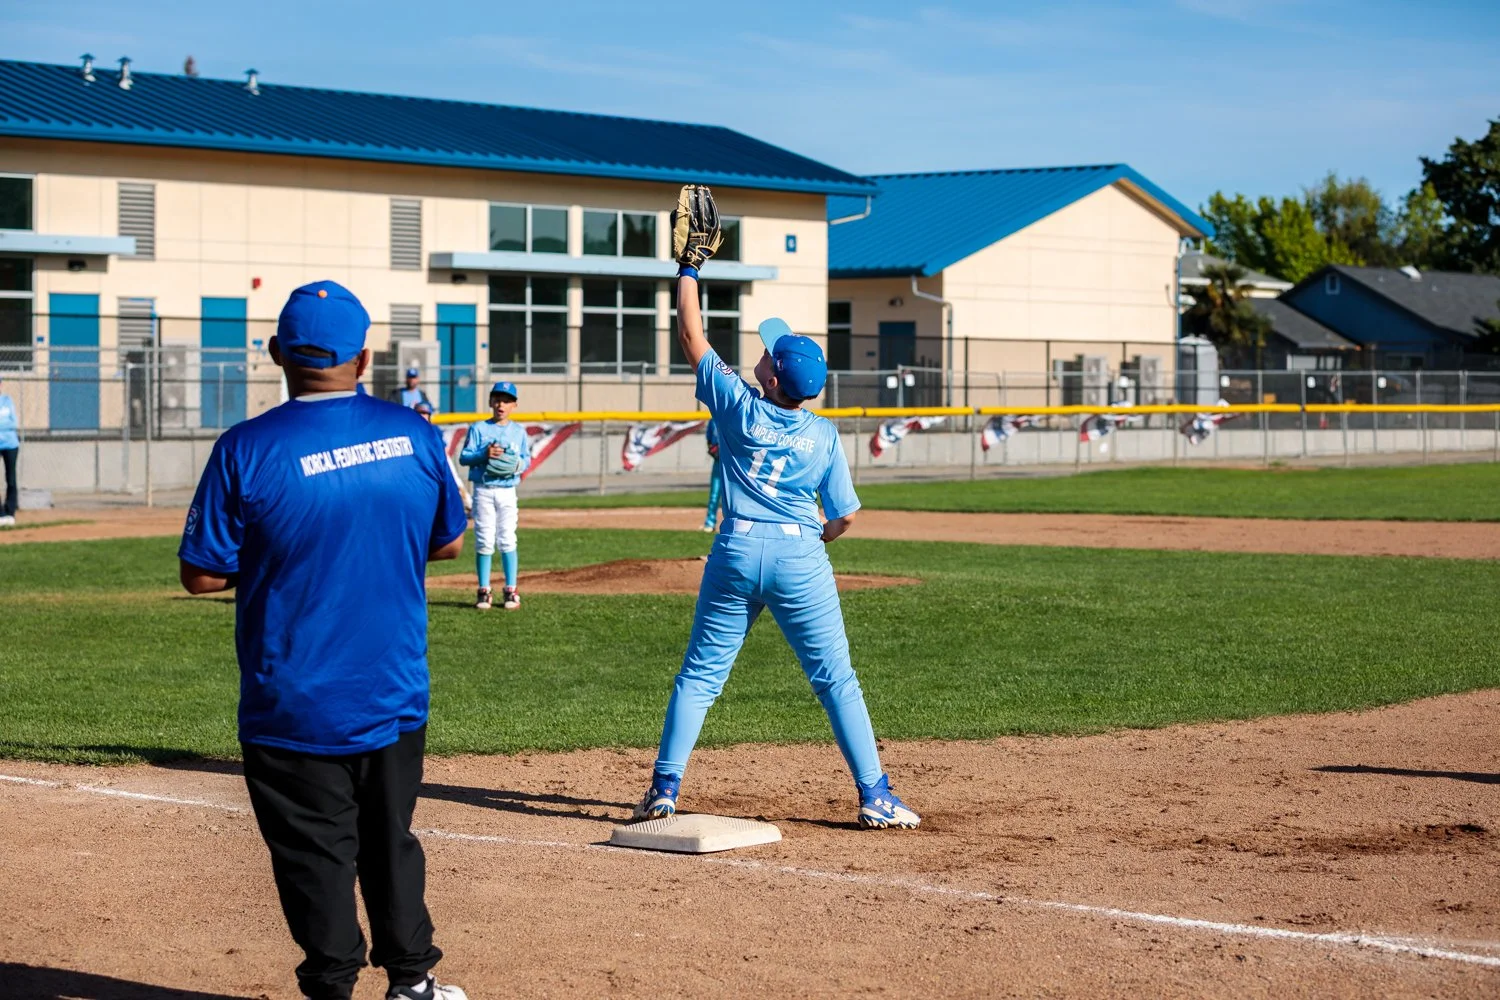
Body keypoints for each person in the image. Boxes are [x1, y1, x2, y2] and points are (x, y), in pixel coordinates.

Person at [177, 280, 470, 1000]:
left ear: (277, 353)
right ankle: (412, 982)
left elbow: (202, 578)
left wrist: (282, 555)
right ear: (365, 357)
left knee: (315, 856)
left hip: (293, 701)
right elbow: (451, 545)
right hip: (392, 688)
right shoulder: (415, 433)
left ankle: (333, 987)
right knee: (390, 840)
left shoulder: (246, 447)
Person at [634, 192, 920, 830]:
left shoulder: (735, 403)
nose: (761, 354)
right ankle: (874, 793)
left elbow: (690, 332)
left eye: (768, 354)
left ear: (770, 379)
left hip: (735, 549)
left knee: (701, 676)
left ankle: (664, 789)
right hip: (798, 552)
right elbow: (845, 517)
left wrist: (687, 267)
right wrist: (818, 537)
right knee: (836, 681)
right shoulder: (821, 433)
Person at [458, 382, 530, 611]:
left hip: (508, 490)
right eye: (497, 399)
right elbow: (464, 458)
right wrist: (484, 453)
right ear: (490, 402)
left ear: (515, 405)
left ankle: (511, 589)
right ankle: (484, 590)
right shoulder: (479, 428)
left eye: (507, 400)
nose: (501, 404)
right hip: (484, 489)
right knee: (484, 539)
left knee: (507, 538)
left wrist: (518, 464)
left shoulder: (518, 431)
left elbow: (526, 459)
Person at [0, 375, 17, 527]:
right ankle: (0, 513)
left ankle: (10, 512)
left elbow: (13, 422)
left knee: (10, 478)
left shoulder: (7, 400)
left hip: (10, 444)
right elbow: (6, 422)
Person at [700, 418, 722, 533]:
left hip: (732, 463)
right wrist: (712, 449)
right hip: (718, 461)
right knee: (714, 494)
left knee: (732, 496)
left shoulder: (733, 415)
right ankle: (710, 522)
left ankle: (732, 525)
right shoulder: (713, 420)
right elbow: (709, 438)